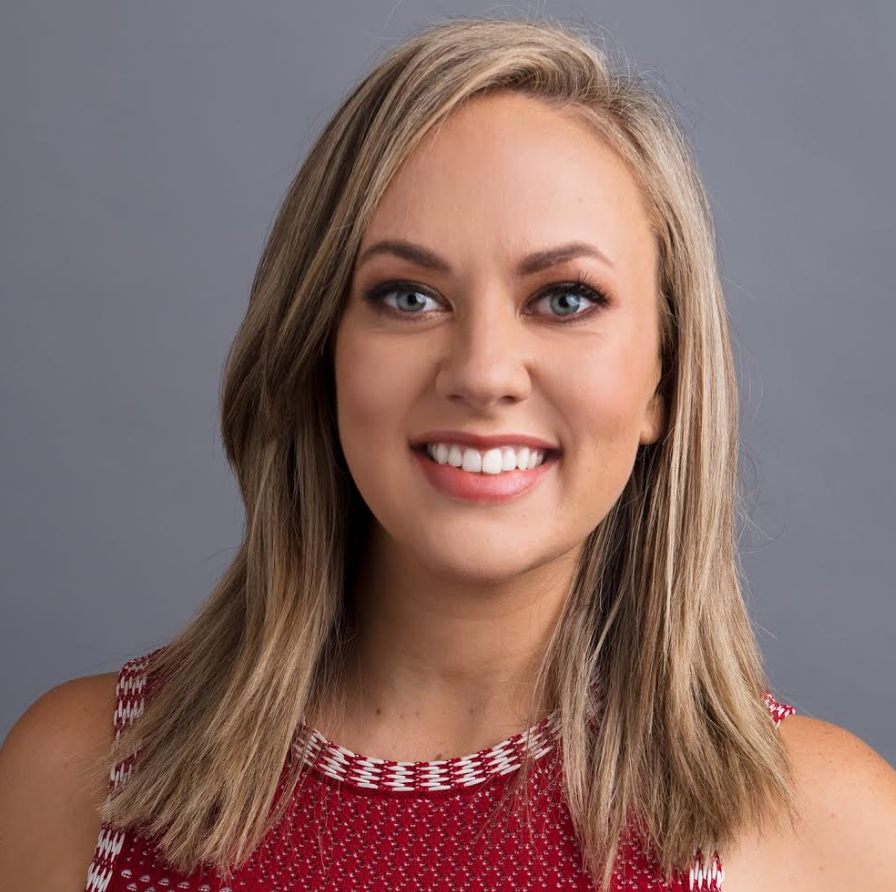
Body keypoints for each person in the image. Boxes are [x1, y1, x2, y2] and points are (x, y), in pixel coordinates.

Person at [1, 16, 895, 892]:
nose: (482, 373)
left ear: (664, 379)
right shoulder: (77, 778)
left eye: (566, 299)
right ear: (320, 351)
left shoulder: (828, 833)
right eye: (409, 296)